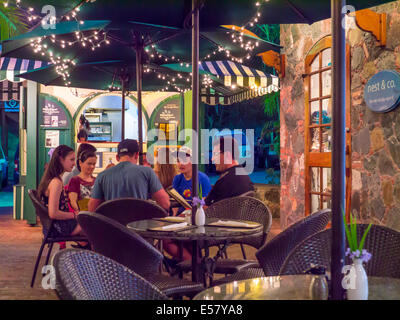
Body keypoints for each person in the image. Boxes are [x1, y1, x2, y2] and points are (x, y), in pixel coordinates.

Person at [88, 139, 170, 212]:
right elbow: (165, 203)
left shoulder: (102, 176)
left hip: (112, 227)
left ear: (117, 157)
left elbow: (91, 208)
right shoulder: (147, 172)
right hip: (139, 227)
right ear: (137, 155)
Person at [37, 145, 83, 237]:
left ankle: (84, 248)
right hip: (59, 228)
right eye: (71, 160)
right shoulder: (56, 182)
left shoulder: (52, 179)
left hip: (53, 227)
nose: (74, 164)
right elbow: (53, 213)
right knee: (94, 226)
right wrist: (74, 215)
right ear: (61, 159)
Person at [205, 136, 254, 206]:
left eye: (215, 154)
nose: (212, 159)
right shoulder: (243, 175)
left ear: (227, 155)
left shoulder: (225, 181)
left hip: (218, 216)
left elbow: (206, 207)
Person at [172, 146, 211, 214]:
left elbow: (204, 206)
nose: (181, 164)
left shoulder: (203, 179)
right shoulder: (177, 179)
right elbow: (175, 204)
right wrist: (174, 217)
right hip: (180, 218)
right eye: (178, 161)